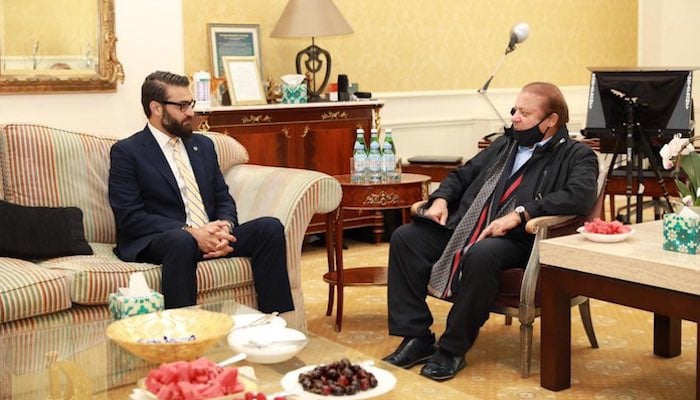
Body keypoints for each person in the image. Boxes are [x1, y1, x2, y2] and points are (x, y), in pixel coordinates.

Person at [382, 82, 599, 381]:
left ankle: (452, 349)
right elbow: (462, 175)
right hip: (467, 225)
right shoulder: (503, 144)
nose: (515, 118)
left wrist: (521, 214)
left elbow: (581, 194)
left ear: (551, 121)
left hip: (521, 239)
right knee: (406, 238)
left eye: (524, 113)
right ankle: (416, 336)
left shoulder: (576, 155)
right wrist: (442, 199)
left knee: (482, 254)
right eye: (514, 110)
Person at [108, 71, 294, 313]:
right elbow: (130, 217)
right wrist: (192, 232)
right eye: (182, 105)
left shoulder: (203, 145)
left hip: (208, 234)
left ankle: (275, 325)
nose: (191, 113)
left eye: (191, 103)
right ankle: (184, 336)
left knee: (270, 228)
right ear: (156, 108)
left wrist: (224, 228)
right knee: (182, 240)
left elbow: (222, 197)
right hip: (164, 239)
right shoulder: (127, 152)